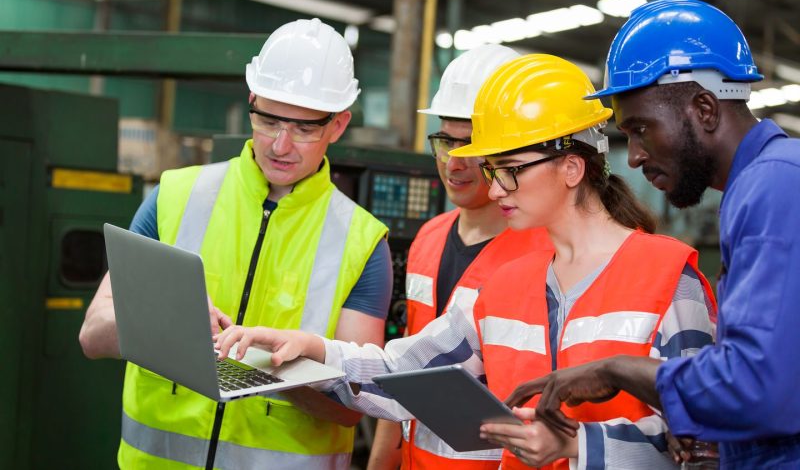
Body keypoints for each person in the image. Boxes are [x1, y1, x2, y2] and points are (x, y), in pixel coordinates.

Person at [215, 54, 717, 470]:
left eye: (510, 171)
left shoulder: (668, 278)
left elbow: (705, 437)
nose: (495, 188)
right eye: (493, 170)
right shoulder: (505, 285)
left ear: (571, 166)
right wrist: (308, 349)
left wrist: (576, 444)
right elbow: (401, 375)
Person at [78, 17, 391, 469]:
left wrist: (275, 368)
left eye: (303, 128)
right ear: (251, 102)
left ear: (338, 125)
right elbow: (92, 334)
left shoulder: (362, 242)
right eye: (267, 120)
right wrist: (167, 325)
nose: (280, 144)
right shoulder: (174, 196)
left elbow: (350, 408)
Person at [505, 0, 800, 469]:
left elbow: (761, 386)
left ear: (704, 109)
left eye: (642, 129)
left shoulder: (774, 185)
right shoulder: (765, 184)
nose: (636, 156)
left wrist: (619, 370)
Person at [368, 45, 553, 470]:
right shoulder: (428, 238)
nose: (454, 161)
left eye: (472, 144)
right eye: (445, 141)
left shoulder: (546, 253)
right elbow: (405, 364)